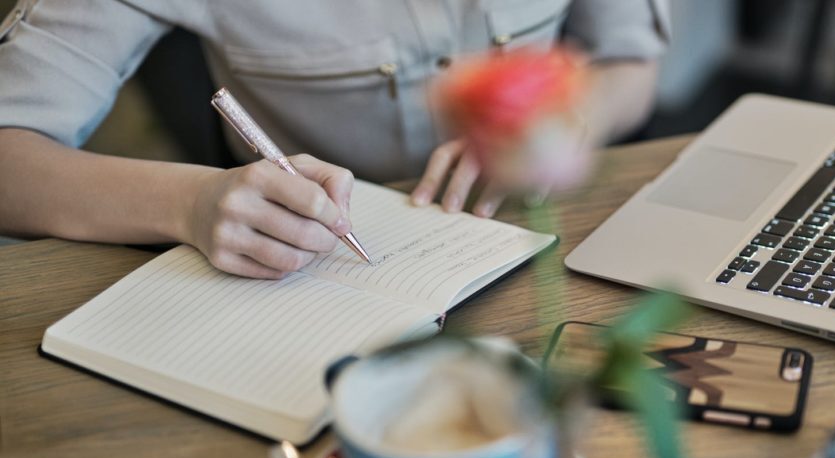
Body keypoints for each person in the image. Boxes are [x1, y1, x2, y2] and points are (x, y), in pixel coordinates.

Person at [0, 0, 669, 279]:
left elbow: (631, 63)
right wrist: (188, 202)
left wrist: (569, 122)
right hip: (309, 276)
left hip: (545, 244)